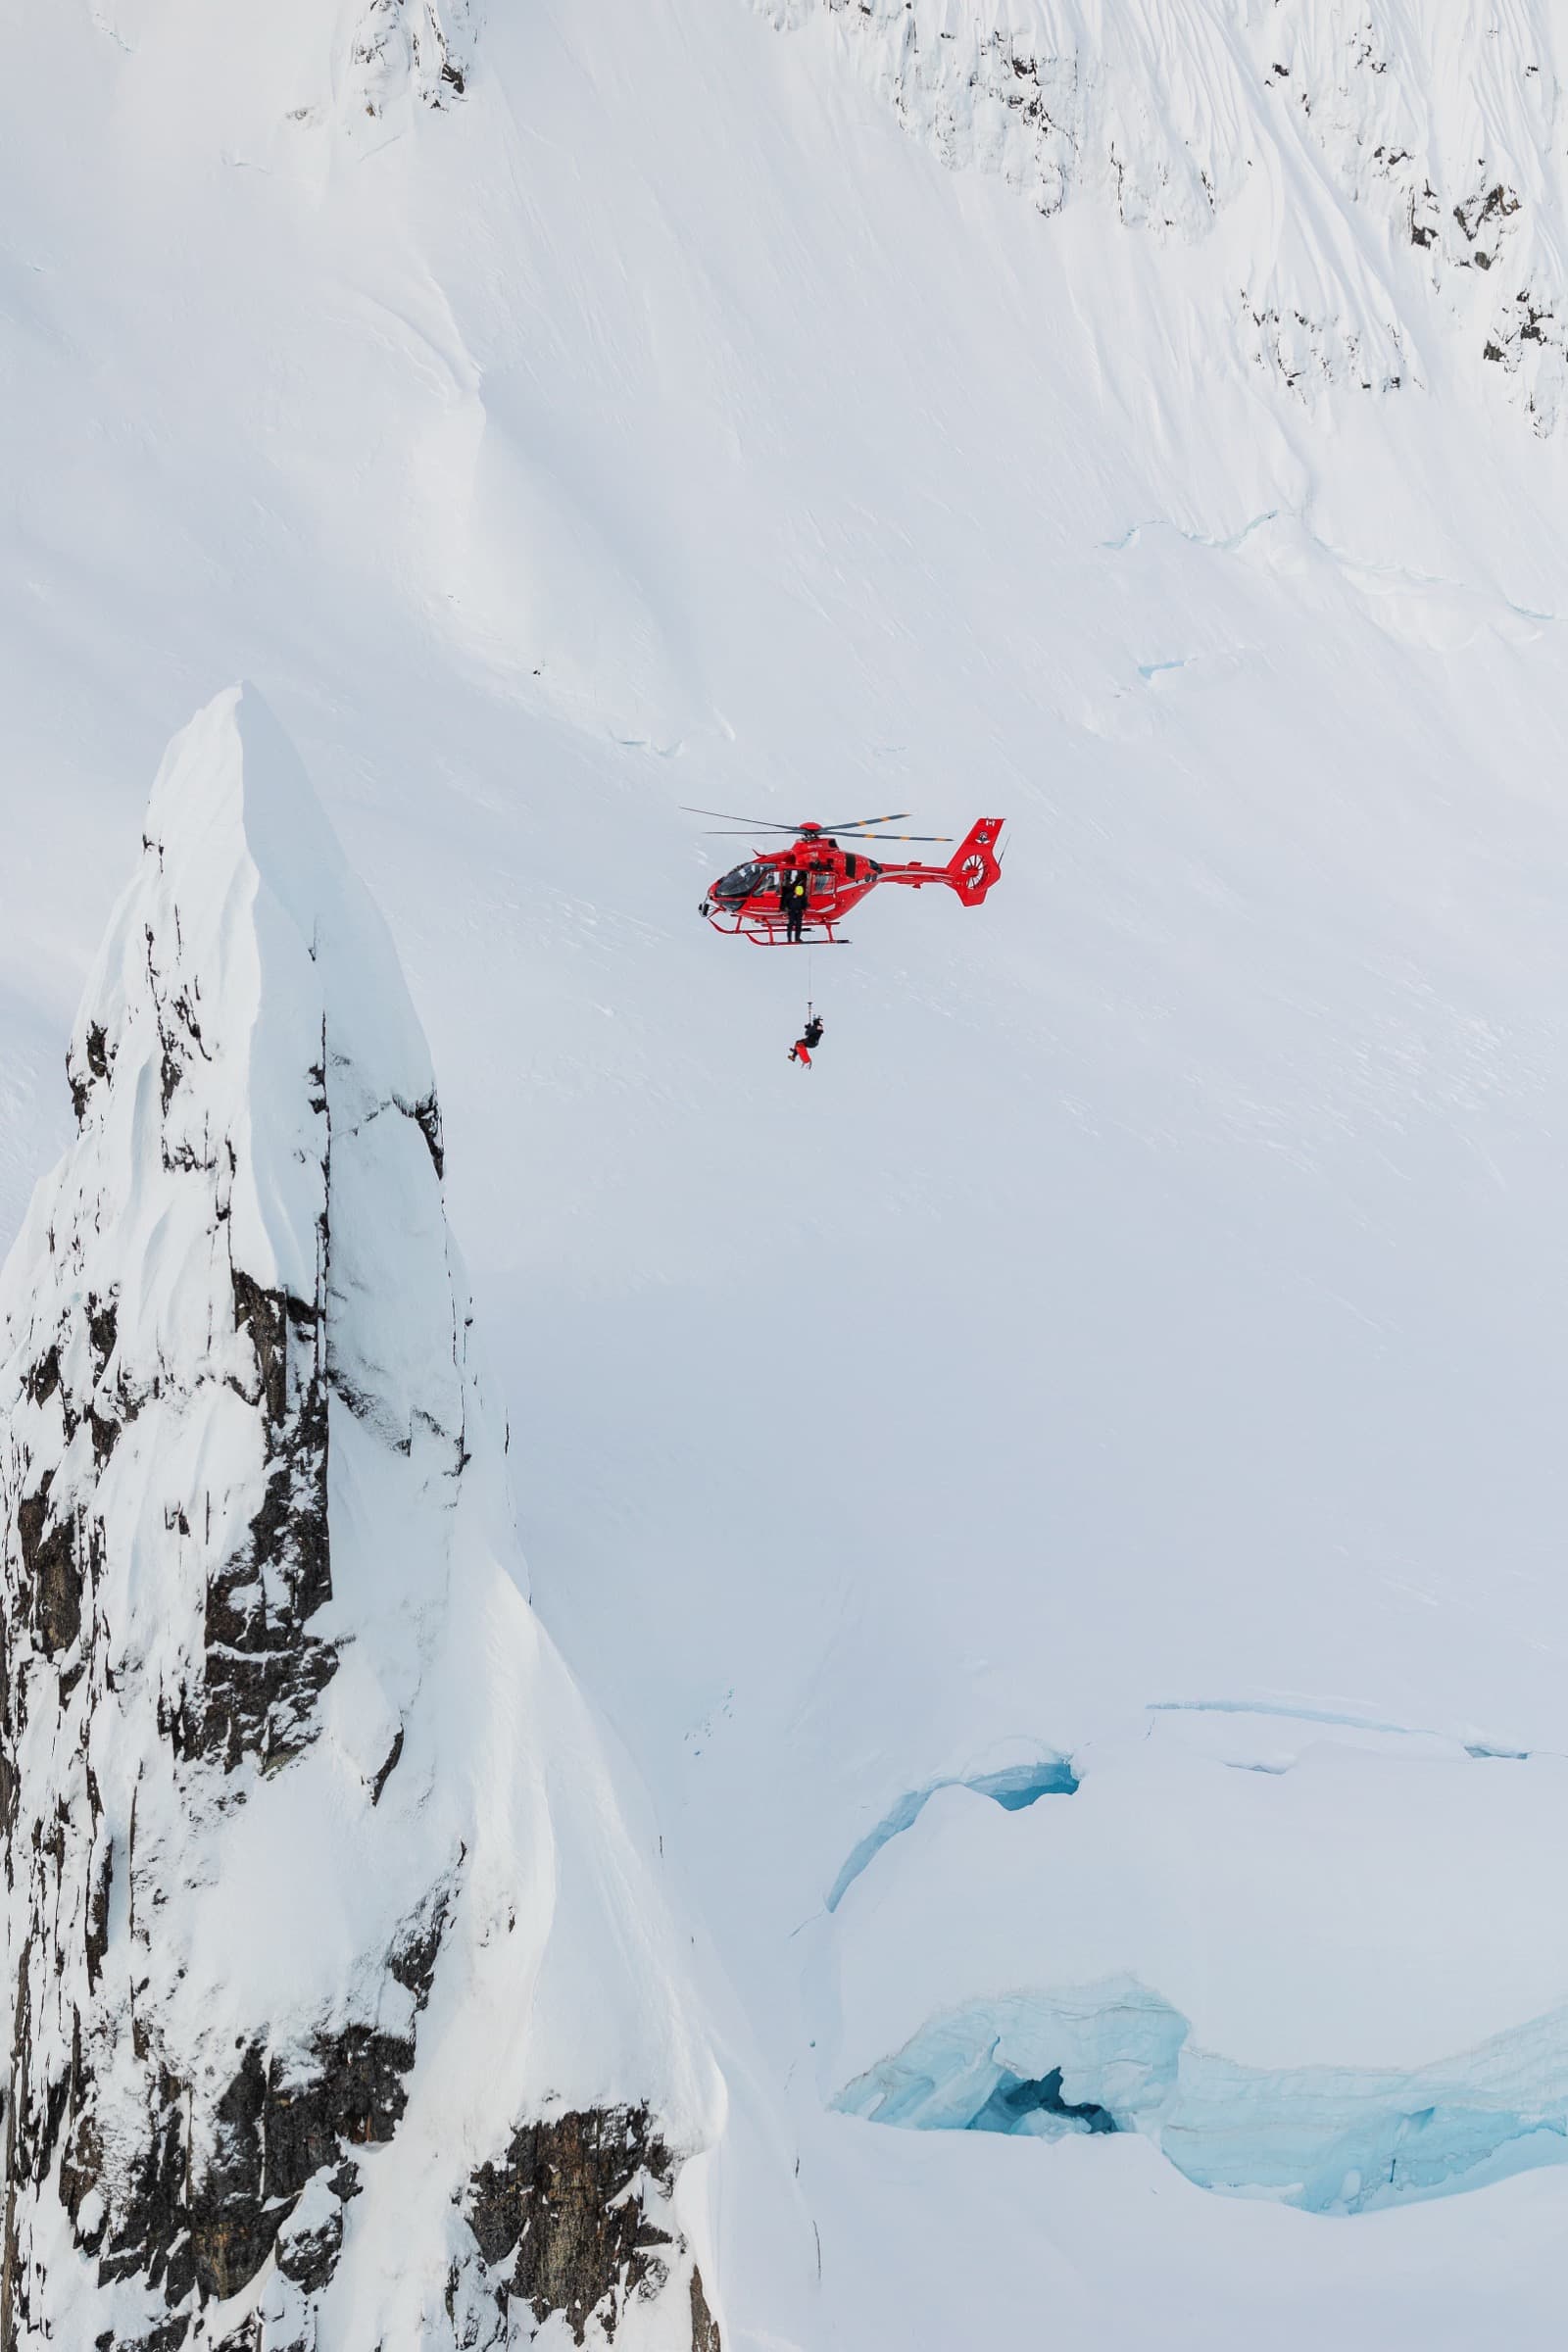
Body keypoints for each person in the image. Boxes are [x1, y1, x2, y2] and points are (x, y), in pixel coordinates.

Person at [781, 867, 808, 944]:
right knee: (790, 925)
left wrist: (805, 908)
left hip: (798, 911)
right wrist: (786, 908)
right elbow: (785, 900)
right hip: (792, 911)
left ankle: (797, 938)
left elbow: (804, 902)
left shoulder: (802, 896)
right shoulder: (790, 895)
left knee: (799, 925)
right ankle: (789, 938)